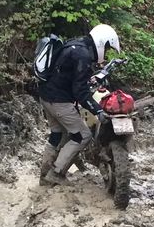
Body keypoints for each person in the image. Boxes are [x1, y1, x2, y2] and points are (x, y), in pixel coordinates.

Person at [38, 23, 121, 186]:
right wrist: (98, 110)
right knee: (83, 136)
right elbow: (80, 92)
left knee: (57, 135)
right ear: (101, 42)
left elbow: (69, 75)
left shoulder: (76, 44)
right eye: (107, 48)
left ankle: (44, 176)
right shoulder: (82, 55)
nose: (106, 52)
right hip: (59, 101)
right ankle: (56, 173)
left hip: (46, 95)